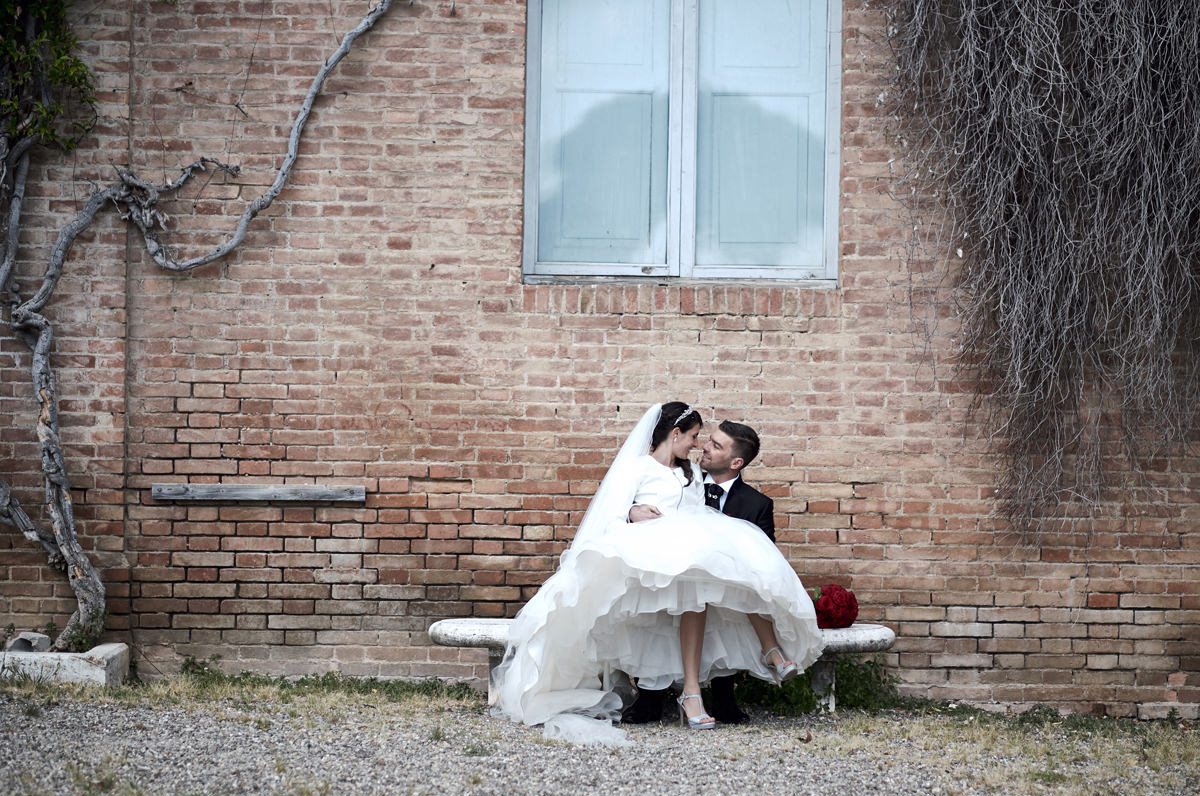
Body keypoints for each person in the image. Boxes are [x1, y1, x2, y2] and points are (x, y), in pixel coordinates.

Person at [490, 402, 822, 744]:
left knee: (706, 579)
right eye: (694, 437)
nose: (698, 445)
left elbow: (696, 516)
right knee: (692, 583)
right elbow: (609, 512)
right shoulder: (638, 468)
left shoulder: (689, 474)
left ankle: (695, 690)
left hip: (683, 557)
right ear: (675, 433)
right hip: (647, 557)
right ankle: (664, 693)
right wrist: (632, 512)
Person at [622, 419, 776, 725]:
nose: (704, 446)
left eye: (716, 445)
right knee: (675, 598)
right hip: (673, 570)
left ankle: (723, 695)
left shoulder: (758, 504)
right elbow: (633, 502)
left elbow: (766, 560)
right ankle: (651, 696)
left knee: (727, 597)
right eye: (706, 439)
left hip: (724, 587)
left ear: (736, 462)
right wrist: (630, 511)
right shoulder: (683, 478)